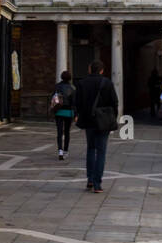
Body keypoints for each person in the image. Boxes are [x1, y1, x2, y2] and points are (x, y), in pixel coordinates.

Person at [74, 60, 119, 193]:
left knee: (90, 149)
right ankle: (97, 183)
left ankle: (89, 179)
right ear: (101, 70)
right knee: (101, 151)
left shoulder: (81, 83)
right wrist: (112, 118)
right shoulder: (107, 83)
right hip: (103, 120)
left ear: (89, 70)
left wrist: (80, 115)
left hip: (88, 120)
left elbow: (78, 103)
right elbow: (114, 102)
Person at [50, 69, 77, 160]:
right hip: (68, 112)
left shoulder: (57, 86)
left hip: (59, 111)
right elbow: (74, 103)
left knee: (59, 132)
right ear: (70, 78)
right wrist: (76, 114)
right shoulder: (73, 88)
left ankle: (60, 150)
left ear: (61, 77)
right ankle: (65, 151)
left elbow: (53, 98)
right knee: (67, 132)